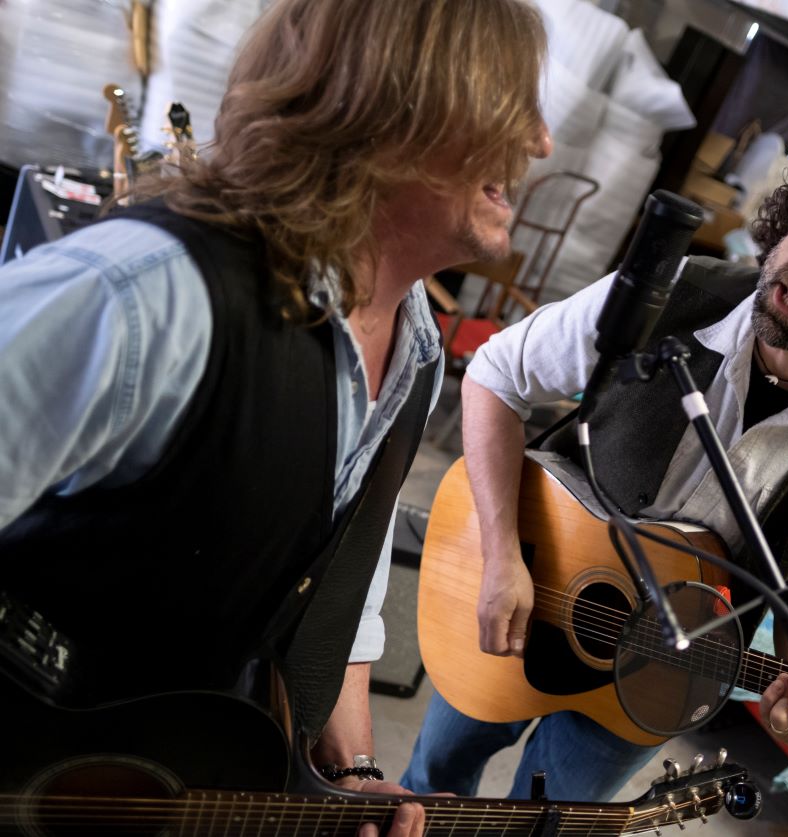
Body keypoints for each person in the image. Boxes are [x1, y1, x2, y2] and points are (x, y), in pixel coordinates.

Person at [0, 0, 551, 833]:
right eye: (514, 102)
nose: (540, 142)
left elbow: (340, 577)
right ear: (395, 105)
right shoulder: (149, 296)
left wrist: (354, 767)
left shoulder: (416, 355)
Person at [401, 138, 788, 803]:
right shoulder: (674, 291)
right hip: (521, 587)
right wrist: (503, 552)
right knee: (431, 784)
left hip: (665, 673)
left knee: (551, 822)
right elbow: (497, 375)